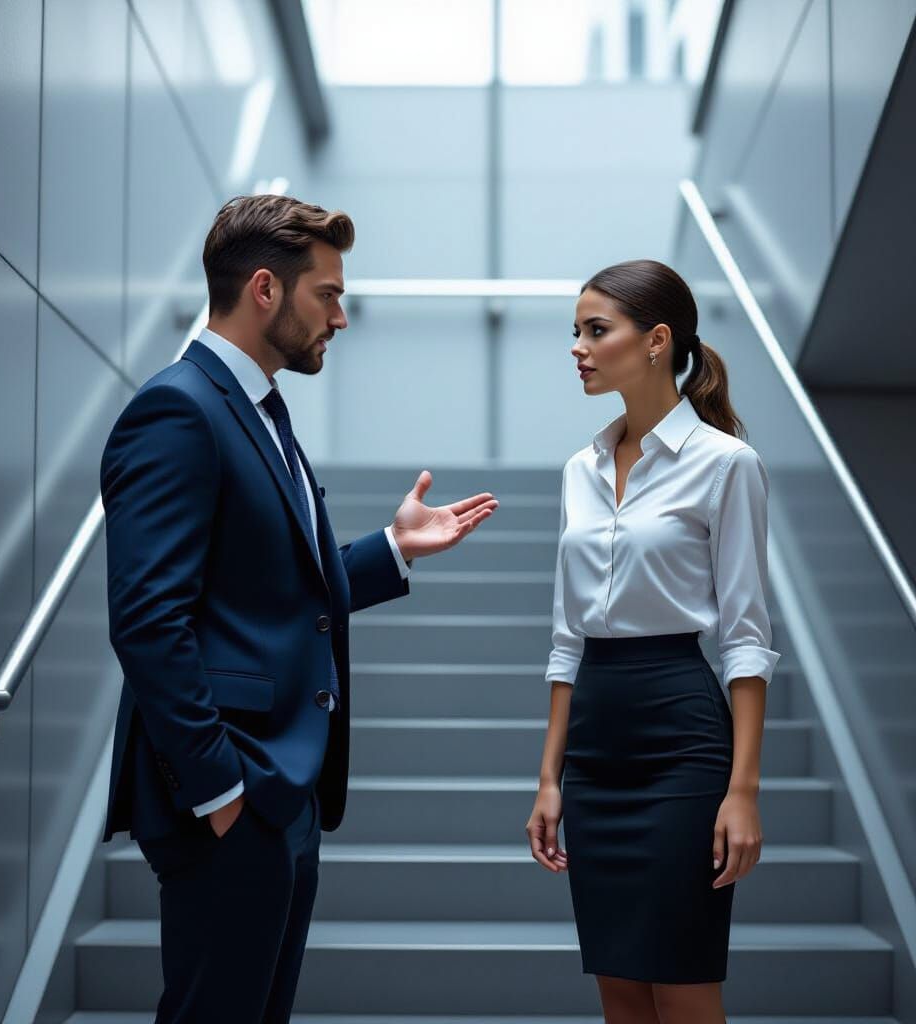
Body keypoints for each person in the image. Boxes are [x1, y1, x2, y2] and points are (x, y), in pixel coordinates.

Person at [99, 193, 499, 1023]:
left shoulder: (259, 410)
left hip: (285, 795)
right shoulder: (179, 410)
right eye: (329, 293)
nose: (342, 318)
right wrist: (220, 794)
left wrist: (391, 550)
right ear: (265, 290)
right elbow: (146, 620)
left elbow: (273, 590)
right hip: (232, 795)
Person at [526, 259, 780, 1024]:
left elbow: (745, 638)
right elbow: (567, 636)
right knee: (620, 989)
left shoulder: (726, 464)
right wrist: (549, 776)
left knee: (682, 983)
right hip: (596, 746)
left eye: (596, 330)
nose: (579, 347)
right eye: (576, 331)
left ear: (658, 341)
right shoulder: (580, 469)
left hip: (681, 738)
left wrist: (742, 791)